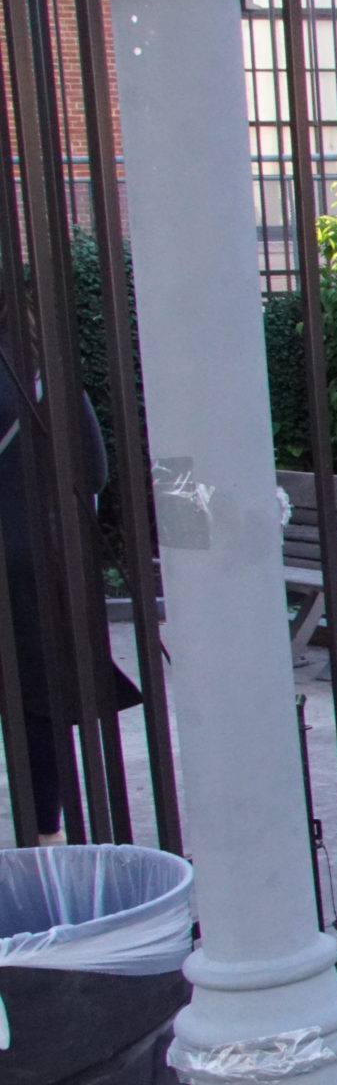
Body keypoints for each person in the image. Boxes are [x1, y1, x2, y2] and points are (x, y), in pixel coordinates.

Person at [0, 347, 141, 845]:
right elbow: (93, 471)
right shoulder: (40, 369)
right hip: (36, 558)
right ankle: (46, 831)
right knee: (37, 698)